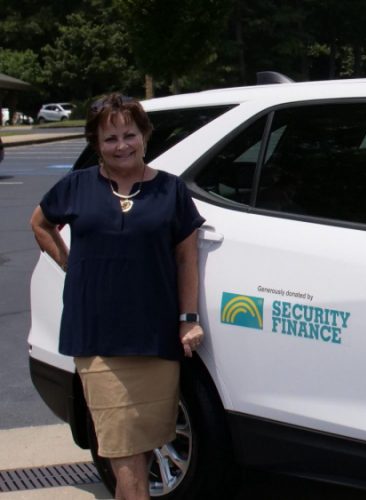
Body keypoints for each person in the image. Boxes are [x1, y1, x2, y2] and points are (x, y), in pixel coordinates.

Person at [29, 93, 205, 500]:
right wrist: (69, 265)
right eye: (110, 139)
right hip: (97, 335)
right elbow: (40, 224)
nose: (122, 145)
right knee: (121, 444)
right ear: (96, 144)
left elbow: (186, 259)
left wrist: (188, 318)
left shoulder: (171, 191)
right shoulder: (76, 186)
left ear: (145, 136)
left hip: (155, 335)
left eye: (130, 134)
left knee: (145, 442)